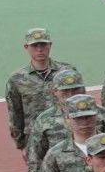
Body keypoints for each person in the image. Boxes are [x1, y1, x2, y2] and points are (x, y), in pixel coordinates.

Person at [6, 27, 76, 156]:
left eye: (43, 44)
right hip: (35, 140)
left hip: (66, 136)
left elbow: (78, 100)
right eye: (35, 45)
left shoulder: (67, 72)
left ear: (50, 45)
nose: (39, 49)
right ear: (26, 47)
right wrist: (21, 145)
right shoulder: (17, 79)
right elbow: (15, 114)